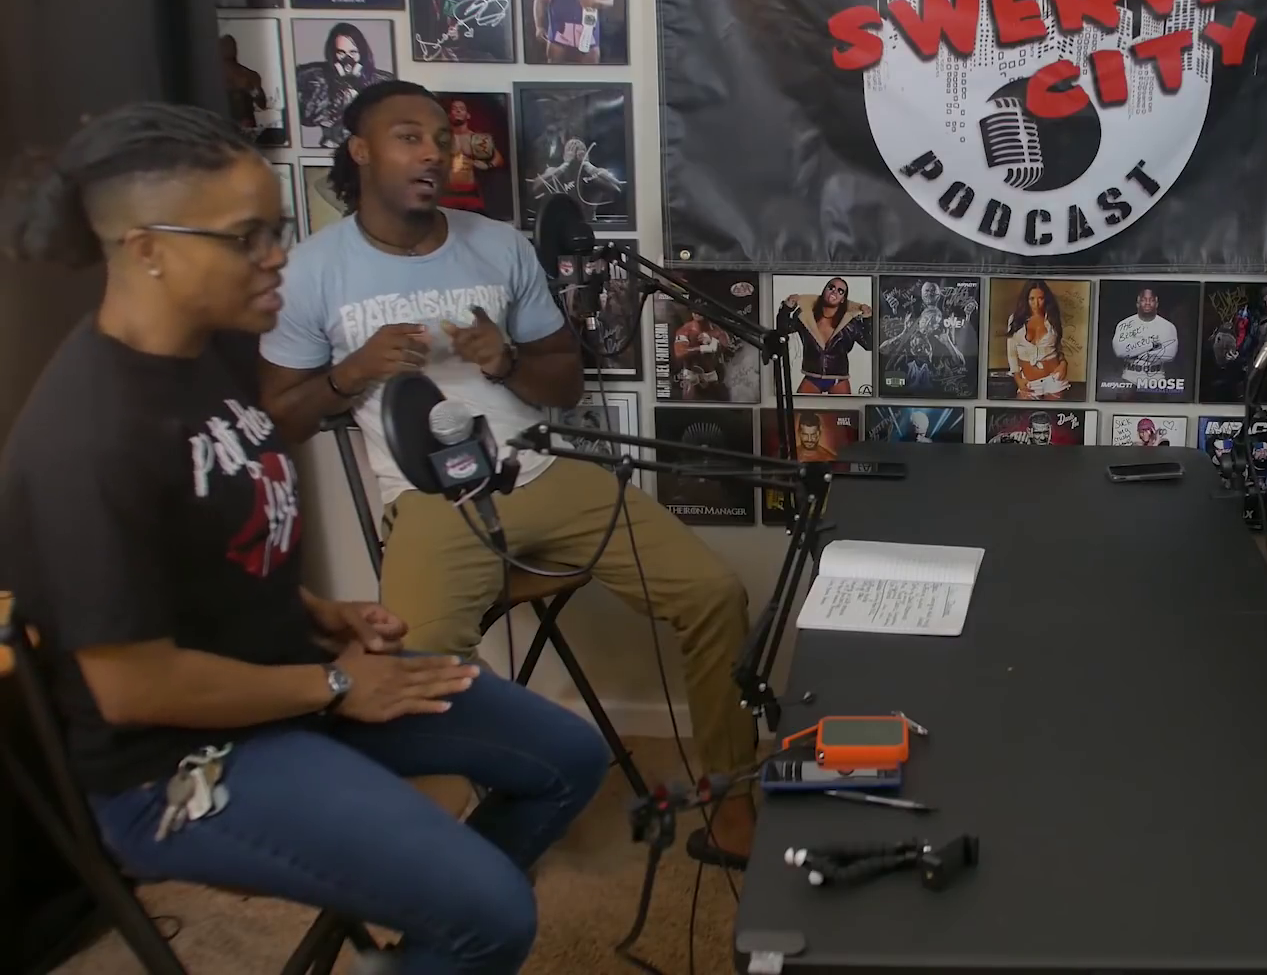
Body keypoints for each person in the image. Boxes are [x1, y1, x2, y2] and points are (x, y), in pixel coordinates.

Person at [0, 103, 608, 972]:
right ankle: (459, 921)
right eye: (244, 238)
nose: (276, 256)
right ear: (147, 249)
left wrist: (321, 613)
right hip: (181, 762)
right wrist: (334, 682)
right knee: (496, 912)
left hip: (291, 683)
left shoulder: (206, 357)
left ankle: (432, 932)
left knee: (568, 757)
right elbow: (135, 687)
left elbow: (215, 546)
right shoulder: (87, 437)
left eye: (276, 230)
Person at [254, 82, 759, 868]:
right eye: (409, 137)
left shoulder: (497, 245)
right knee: (415, 670)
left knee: (715, 593)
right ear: (360, 150)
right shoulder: (313, 271)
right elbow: (279, 418)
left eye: (441, 139)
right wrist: (350, 373)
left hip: (542, 472)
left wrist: (506, 358)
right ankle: (445, 859)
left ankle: (731, 808)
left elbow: (564, 381)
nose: (433, 154)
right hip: (432, 498)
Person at [1006, 279, 1071, 400]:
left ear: (1046, 299)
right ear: (1026, 299)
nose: (1036, 304)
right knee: (1022, 411)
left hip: (1054, 380)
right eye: (1032, 299)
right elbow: (1012, 354)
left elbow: (1059, 346)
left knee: (1054, 412)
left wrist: (1063, 363)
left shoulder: (1052, 318)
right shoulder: (1015, 320)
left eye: (1040, 298)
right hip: (1029, 382)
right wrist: (1018, 379)